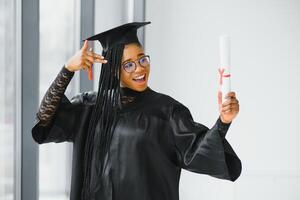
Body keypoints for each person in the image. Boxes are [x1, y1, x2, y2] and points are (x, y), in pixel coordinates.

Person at [31, 21, 242, 200]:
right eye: (128, 65)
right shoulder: (88, 107)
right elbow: (45, 118)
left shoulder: (166, 111)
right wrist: (67, 69)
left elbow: (198, 152)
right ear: (113, 69)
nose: (140, 68)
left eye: (142, 59)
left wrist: (223, 121)